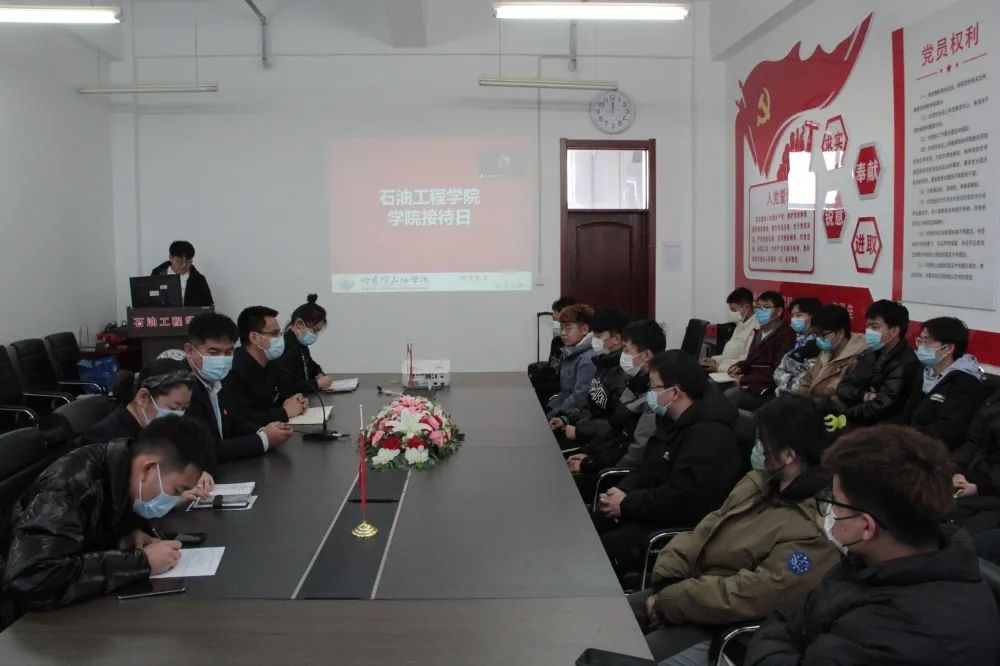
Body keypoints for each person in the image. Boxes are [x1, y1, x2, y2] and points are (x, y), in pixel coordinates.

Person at [745, 425, 1000, 666]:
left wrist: (774, 636)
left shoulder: (889, 634)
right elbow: (800, 613)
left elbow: (789, 626)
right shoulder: (876, 561)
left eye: (835, 502)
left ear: (867, 526)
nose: (830, 511)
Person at [632, 396, 838, 665]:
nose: (758, 448)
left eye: (764, 443)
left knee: (621, 658)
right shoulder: (757, 484)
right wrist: (668, 581)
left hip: (722, 627)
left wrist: (673, 601)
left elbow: (756, 595)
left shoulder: (813, 527)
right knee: (602, 621)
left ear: (789, 455)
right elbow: (704, 530)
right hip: (688, 593)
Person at [1, 416, 215, 623]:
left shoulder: (120, 473)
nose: (176, 499)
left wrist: (124, 535)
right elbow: (32, 579)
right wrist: (141, 562)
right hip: (28, 625)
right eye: (176, 490)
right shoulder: (68, 485)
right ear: (148, 469)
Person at [595, 351, 742, 578]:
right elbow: (646, 467)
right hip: (650, 506)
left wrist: (627, 503)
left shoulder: (709, 434)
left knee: (602, 549)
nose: (650, 394)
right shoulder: (670, 420)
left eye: (654, 387)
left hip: (677, 524)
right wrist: (621, 491)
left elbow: (683, 498)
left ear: (674, 392)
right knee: (590, 524)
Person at [567, 319, 667, 500]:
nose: (624, 355)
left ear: (645, 355)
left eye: (627, 350)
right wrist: (590, 455)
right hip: (610, 458)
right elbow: (616, 428)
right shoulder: (635, 382)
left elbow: (638, 450)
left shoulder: (657, 396)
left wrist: (593, 465)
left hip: (622, 476)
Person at [183, 313, 293, 463]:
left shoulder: (219, 379)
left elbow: (235, 423)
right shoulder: (183, 389)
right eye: (213, 352)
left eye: (229, 352)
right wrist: (264, 440)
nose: (222, 359)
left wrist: (264, 431)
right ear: (190, 351)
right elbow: (207, 448)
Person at [828, 299, 920, 427]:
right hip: (857, 416)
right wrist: (865, 395)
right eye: (868, 326)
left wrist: (846, 416)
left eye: (875, 327)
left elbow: (882, 405)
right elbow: (844, 387)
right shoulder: (871, 353)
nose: (869, 331)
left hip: (883, 427)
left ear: (894, 331)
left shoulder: (906, 362)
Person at [903, 317, 987, 452]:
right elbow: (907, 413)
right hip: (909, 443)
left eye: (927, 341)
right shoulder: (925, 372)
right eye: (920, 340)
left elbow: (949, 431)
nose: (921, 346)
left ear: (948, 348)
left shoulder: (966, 383)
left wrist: (906, 439)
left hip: (935, 452)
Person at [550, 307, 630, 446]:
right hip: (586, 429)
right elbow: (590, 405)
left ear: (616, 339)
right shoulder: (603, 363)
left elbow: (615, 424)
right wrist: (566, 418)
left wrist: (579, 430)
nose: (594, 341)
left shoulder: (623, 374)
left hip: (600, 441)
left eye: (599, 337)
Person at [224, 306, 308, 428]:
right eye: (274, 334)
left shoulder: (272, 364)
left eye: (280, 333)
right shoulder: (234, 369)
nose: (280, 339)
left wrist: (290, 400)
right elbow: (242, 417)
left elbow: (272, 399)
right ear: (254, 337)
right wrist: (284, 412)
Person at [725, 291, 796, 410]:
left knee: (729, 397)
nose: (760, 311)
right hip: (751, 383)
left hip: (767, 389)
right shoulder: (759, 331)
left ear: (779, 311)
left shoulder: (785, 335)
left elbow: (778, 372)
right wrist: (740, 366)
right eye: (758, 307)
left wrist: (745, 379)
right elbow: (752, 360)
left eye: (766, 307)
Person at [951, 385, 1000, 534]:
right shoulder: (996, 396)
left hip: (991, 492)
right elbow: (974, 440)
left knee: (962, 534)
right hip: (972, 476)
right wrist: (957, 471)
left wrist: (979, 488)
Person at [794, 305, 866, 404]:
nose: (819, 339)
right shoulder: (827, 351)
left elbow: (845, 398)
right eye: (816, 334)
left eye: (823, 334)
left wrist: (814, 405)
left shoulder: (859, 357)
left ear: (840, 333)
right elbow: (807, 380)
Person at [546, 304, 599, 419]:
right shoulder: (572, 351)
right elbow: (565, 393)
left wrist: (556, 414)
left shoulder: (589, 358)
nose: (563, 333)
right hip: (566, 410)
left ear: (584, 329)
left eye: (568, 328)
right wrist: (550, 409)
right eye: (562, 328)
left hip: (575, 417)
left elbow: (579, 397)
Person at [274, 294, 333, 393]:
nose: (315, 335)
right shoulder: (283, 348)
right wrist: (317, 384)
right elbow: (286, 386)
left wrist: (319, 374)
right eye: (315, 330)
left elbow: (313, 366)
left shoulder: (301, 345)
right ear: (299, 324)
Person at [529, 296, 576, 407]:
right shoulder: (557, 341)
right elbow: (552, 365)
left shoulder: (577, 348)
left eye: (567, 328)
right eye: (562, 327)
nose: (553, 317)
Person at [773, 297, 822, 396]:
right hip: (781, 393)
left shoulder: (819, 343)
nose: (794, 319)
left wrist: (787, 381)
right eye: (793, 315)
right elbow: (777, 372)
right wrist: (790, 380)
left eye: (799, 315)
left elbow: (804, 382)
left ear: (813, 317)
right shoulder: (793, 338)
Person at [702, 287, 757, 374]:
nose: (732, 314)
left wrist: (719, 367)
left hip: (735, 374)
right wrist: (715, 360)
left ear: (746, 307)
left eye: (734, 310)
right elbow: (730, 355)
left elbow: (744, 360)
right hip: (724, 370)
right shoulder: (740, 324)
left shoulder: (756, 327)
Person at [149, 240, 214, 307]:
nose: (183, 265)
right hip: (162, 313)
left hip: (190, 313)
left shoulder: (199, 279)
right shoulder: (157, 275)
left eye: (188, 262)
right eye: (179, 261)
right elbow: (148, 302)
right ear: (170, 257)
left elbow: (208, 305)